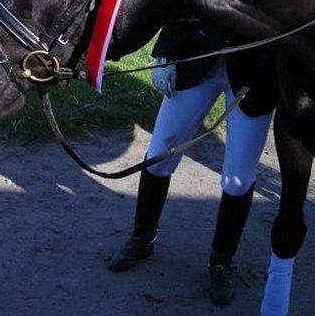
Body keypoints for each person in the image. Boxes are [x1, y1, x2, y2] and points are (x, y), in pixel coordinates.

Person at [108, 19, 277, 306]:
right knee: (159, 154)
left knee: (237, 179)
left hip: (256, 71)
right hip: (197, 57)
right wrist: (166, 53)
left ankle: (222, 262)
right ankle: (142, 238)